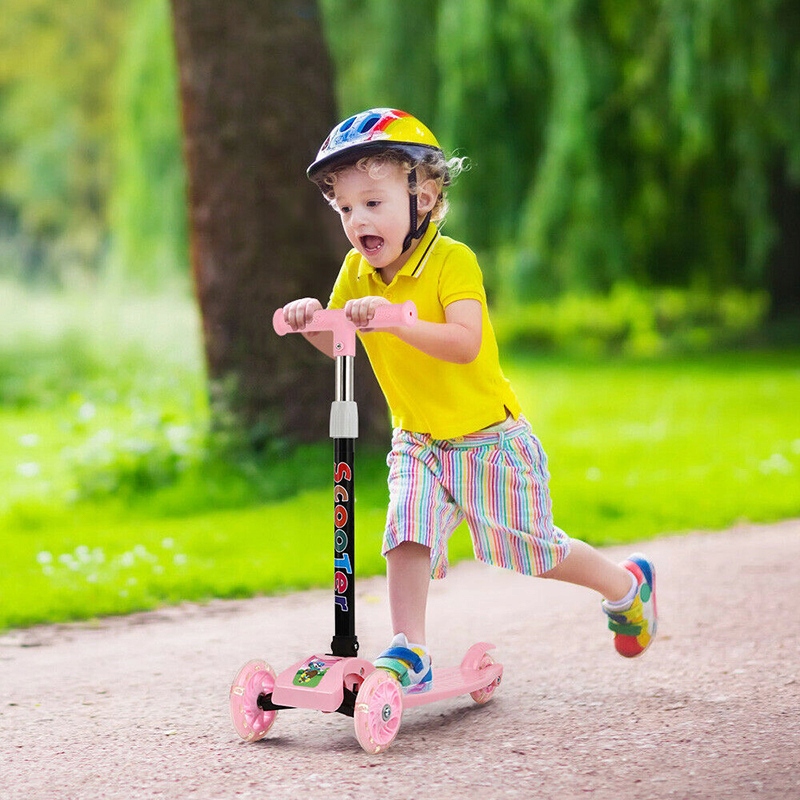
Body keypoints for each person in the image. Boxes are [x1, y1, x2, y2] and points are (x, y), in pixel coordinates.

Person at [282, 108, 657, 693]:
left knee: (533, 550)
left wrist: (398, 322)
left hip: (489, 439)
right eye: (346, 207)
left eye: (373, 203)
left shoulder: (454, 262)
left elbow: (464, 344)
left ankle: (625, 586)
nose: (358, 221)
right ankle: (411, 649)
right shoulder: (357, 271)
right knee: (406, 530)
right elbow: (341, 343)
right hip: (419, 440)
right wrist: (309, 319)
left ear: (423, 198)